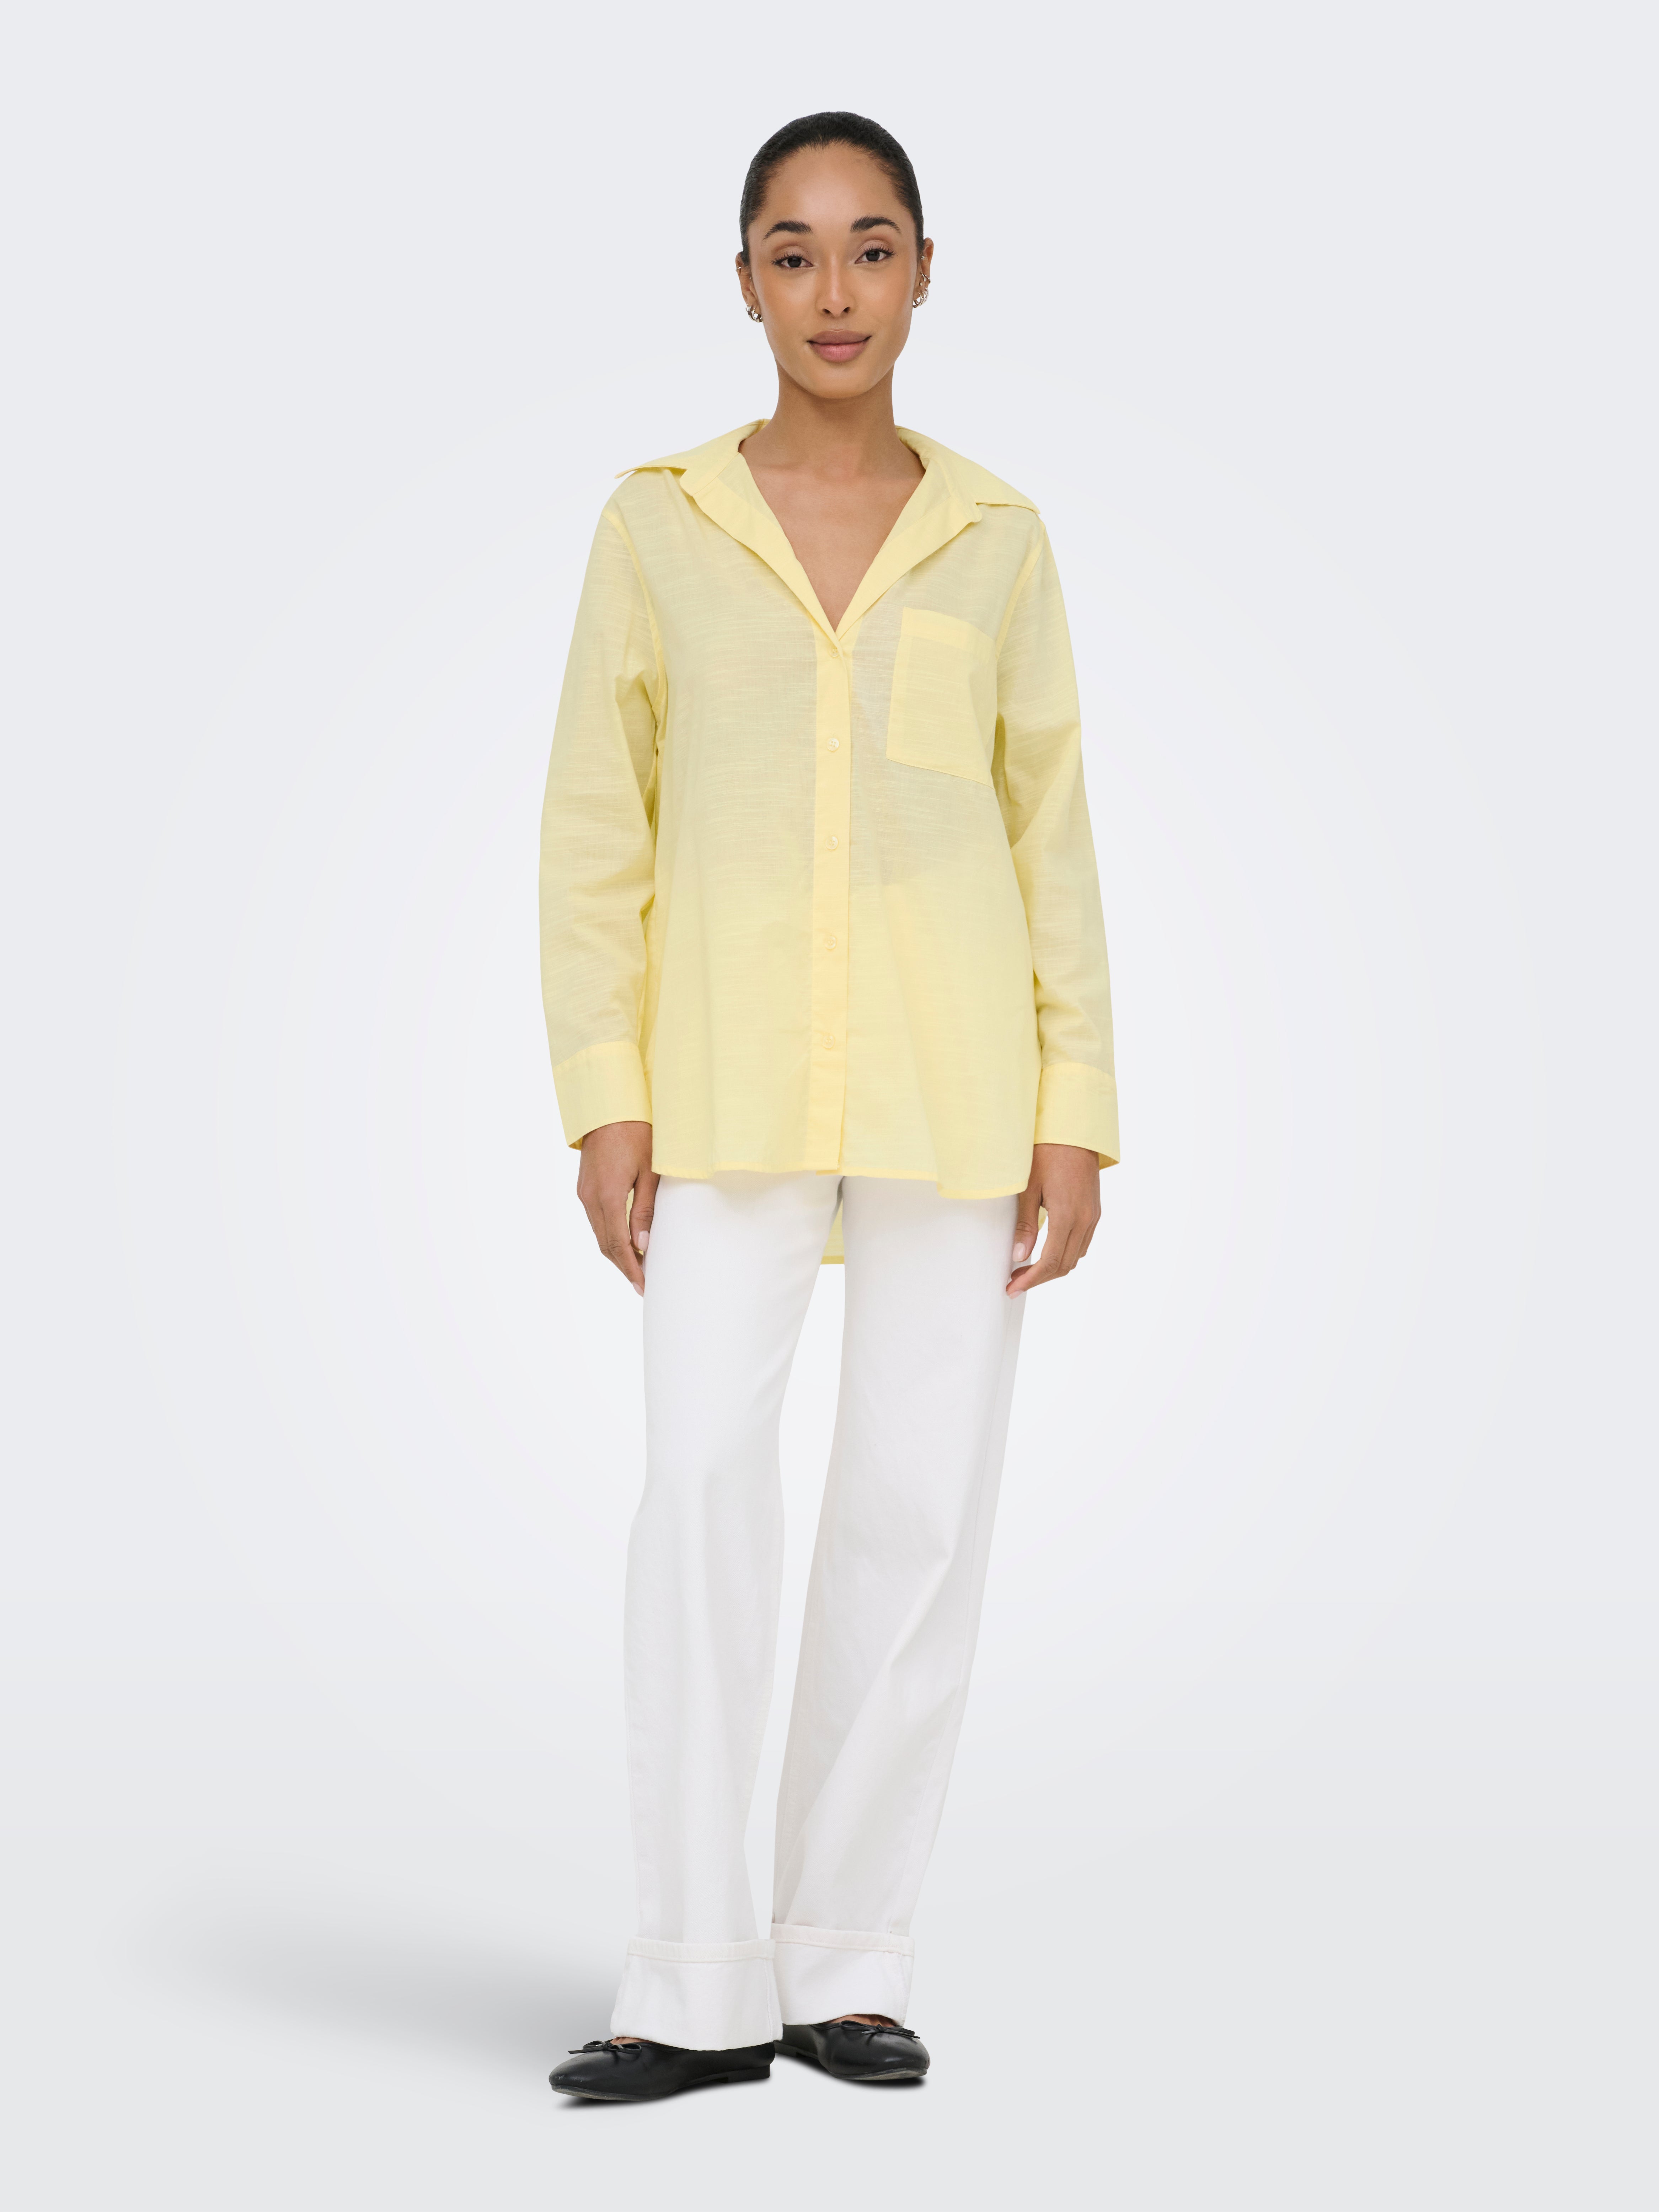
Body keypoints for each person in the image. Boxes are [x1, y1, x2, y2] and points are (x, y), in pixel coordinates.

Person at [541, 112, 1117, 2103]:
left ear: (926, 271)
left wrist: (1077, 1106)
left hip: (964, 1086)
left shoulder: (1000, 537)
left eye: (872, 248)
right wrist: (603, 1097)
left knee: (916, 1511)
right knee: (704, 1486)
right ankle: (694, 1977)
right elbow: (595, 828)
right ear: (745, 284)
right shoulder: (659, 526)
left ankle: (843, 1960)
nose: (836, 290)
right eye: (794, 252)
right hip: (719, 1084)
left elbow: (1051, 832)